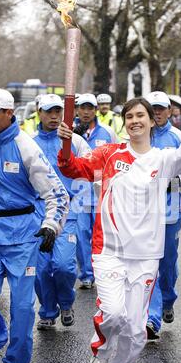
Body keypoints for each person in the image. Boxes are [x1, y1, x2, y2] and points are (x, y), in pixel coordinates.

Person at [57, 86, 181, 363]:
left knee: (136, 330)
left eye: (140, 115)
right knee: (112, 313)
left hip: (146, 254)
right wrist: (66, 143)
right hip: (109, 249)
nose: (135, 120)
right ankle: (103, 349)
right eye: (129, 116)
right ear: (125, 123)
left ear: (152, 121)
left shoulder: (163, 160)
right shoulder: (110, 154)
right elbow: (73, 168)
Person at [0, 89, 69, 363]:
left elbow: (57, 194)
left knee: (22, 305)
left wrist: (51, 225)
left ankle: (16, 359)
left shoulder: (25, 146)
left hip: (23, 236)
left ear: (9, 114)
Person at [33, 94, 91, 330]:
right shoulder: (29, 142)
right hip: (37, 211)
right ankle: (47, 310)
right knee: (41, 269)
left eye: (58, 111)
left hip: (68, 210)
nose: (54, 116)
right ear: (39, 112)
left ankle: (66, 303)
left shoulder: (74, 141)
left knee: (64, 266)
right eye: (49, 111)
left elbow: (90, 165)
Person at [144, 91, 181, 340]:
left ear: (169, 111)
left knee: (167, 265)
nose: (157, 113)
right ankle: (152, 318)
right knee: (150, 264)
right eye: (152, 109)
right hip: (144, 211)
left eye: (160, 108)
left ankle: (167, 299)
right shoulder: (138, 135)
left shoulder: (177, 137)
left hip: (170, 209)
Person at [73, 93, 116, 290]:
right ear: (77, 110)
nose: (86, 112)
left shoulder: (107, 132)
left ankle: (103, 270)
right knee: (82, 233)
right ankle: (87, 274)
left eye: (90, 108)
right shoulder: (70, 133)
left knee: (103, 233)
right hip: (79, 191)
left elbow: (116, 156)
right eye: (83, 108)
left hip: (102, 191)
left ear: (96, 109)